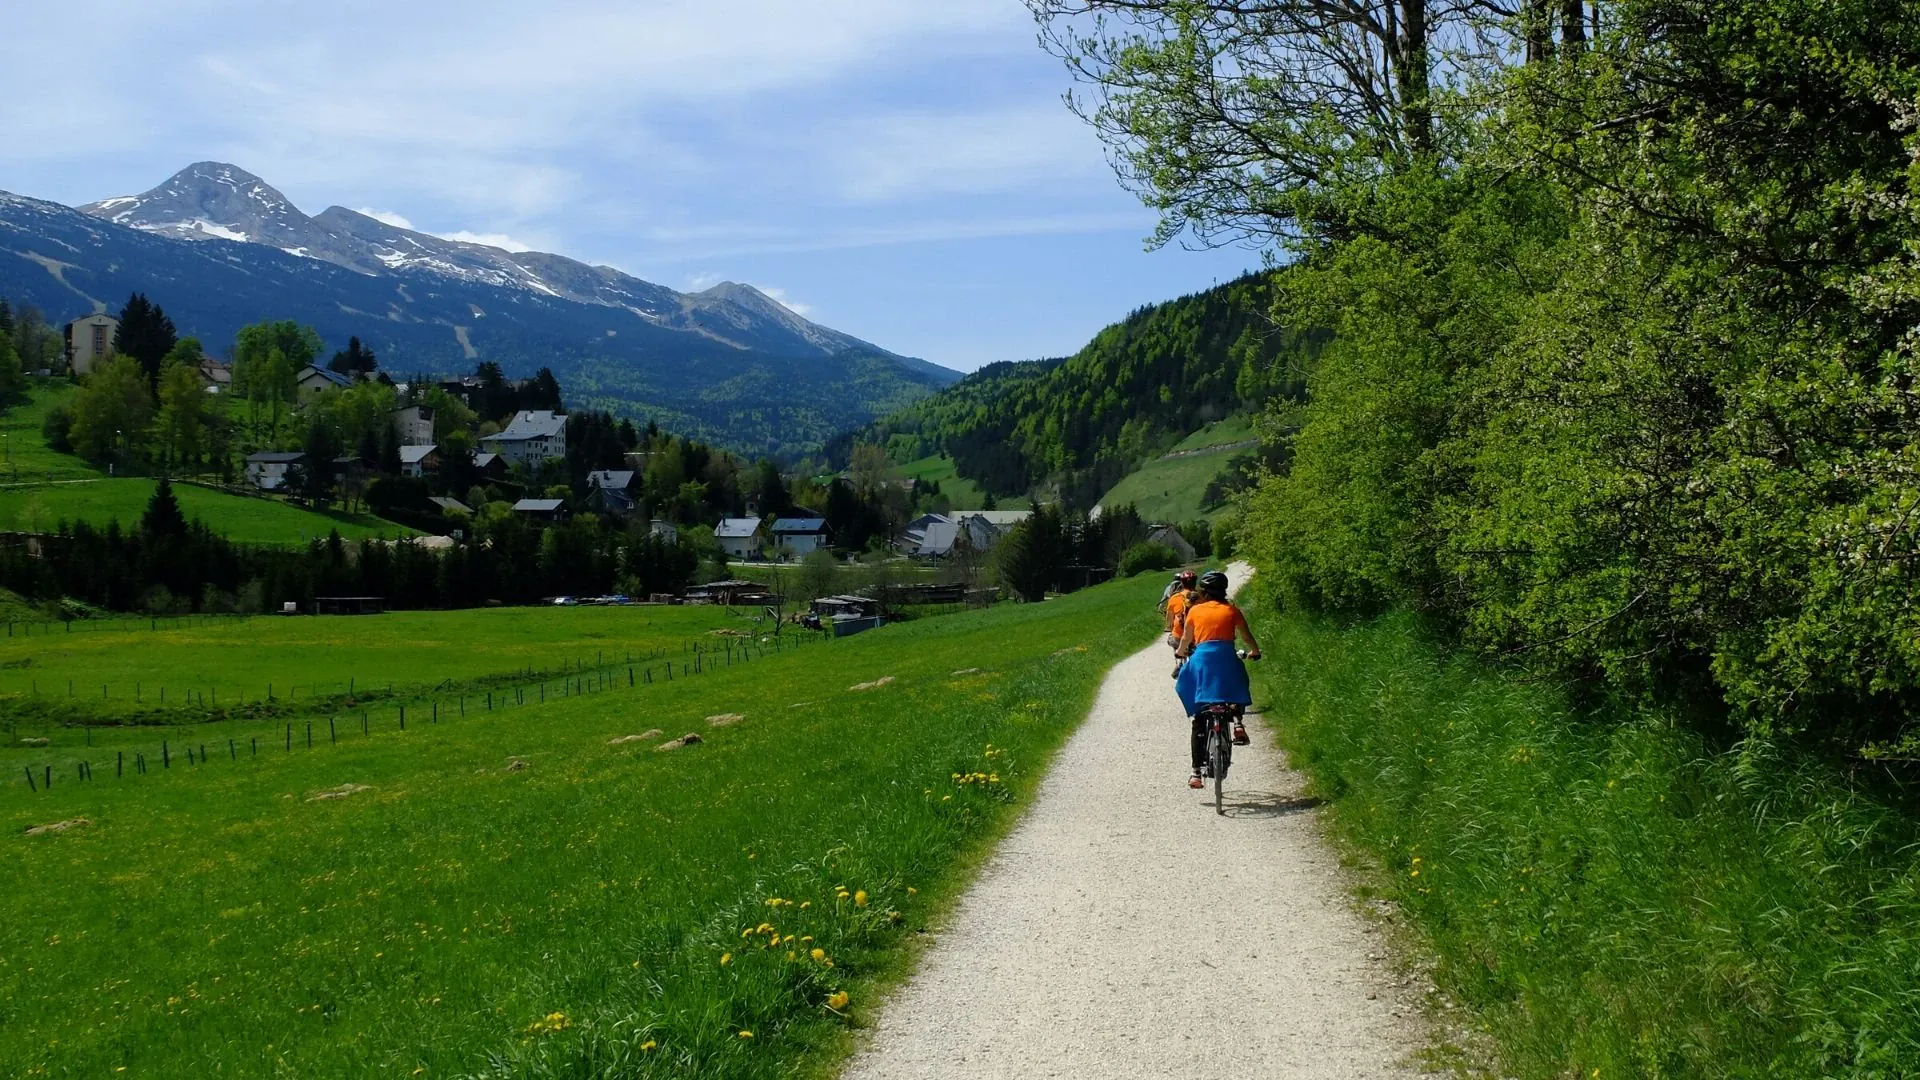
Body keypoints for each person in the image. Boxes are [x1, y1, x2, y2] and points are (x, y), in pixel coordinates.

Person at [1173, 569, 1262, 789]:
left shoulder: (1195, 610)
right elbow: (1247, 636)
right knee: (1239, 679)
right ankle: (1238, 723)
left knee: (1198, 715)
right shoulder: (1232, 610)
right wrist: (1255, 651)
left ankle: (1195, 773)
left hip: (1202, 661)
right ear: (1224, 591)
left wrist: (1180, 652)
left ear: (1203, 591)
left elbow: (1186, 638)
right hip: (1226, 658)